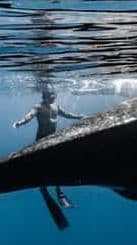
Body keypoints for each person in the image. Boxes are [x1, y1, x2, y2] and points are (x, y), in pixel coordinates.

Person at [13, 83, 86, 227]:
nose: (53, 96)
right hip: (40, 142)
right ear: (44, 95)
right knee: (42, 168)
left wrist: (79, 117)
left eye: (54, 94)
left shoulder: (56, 106)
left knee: (57, 166)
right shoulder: (38, 107)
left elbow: (67, 114)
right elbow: (29, 116)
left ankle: (60, 191)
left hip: (54, 140)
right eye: (50, 94)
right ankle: (44, 188)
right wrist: (19, 122)